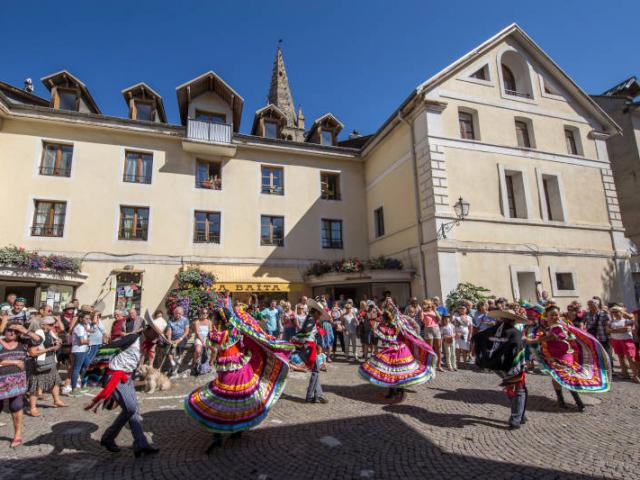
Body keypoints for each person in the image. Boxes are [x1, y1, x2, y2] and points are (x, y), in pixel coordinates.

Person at [185, 304, 294, 451]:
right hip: (241, 371)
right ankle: (237, 429)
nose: (213, 321)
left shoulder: (216, 336)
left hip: (226, 375)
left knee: (220, 401)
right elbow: (249, 344)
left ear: (218, 321)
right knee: (238, 400)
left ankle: (218, 434)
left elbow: (211, 347)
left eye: (214, 319)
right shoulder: (236, 332)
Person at [85, 315, 166, 457]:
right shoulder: (132, 338)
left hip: (126, 377)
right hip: (115, 377)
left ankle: (139, 444)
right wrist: (96, 369)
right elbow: (109, 347)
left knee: (133, 410)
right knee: (131, 408)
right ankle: (110, 437)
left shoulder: (145, 342)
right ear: (149, 329)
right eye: (156, 334)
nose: (156, 338)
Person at [526, 305, 611, 412]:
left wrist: (533, 341)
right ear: (546, 316)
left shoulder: (559, 326)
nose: (554, 316)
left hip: (564, 356)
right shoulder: (547, 326)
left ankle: (578, 401)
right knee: (556, 376)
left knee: (568, 376)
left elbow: (557, 336)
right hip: (552, 355)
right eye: (551, 315)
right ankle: (561, 400)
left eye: (556, 314)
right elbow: (546, 336)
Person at [359, 306, 437, 401]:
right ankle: (393, 391)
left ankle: (399, 391)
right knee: (392, 372)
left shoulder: (396, 325)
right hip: (393, 350)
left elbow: (390, 338)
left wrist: (377, 331)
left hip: (399, 351)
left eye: (382, 318)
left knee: (399, 372)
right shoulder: (386, 326)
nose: (381, 319)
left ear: (386, 318)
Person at [473, 309, 528, 430]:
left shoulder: (491, 330)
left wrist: (484, 355)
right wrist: (520, 365)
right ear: (513, 320)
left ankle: (520, 414)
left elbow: (477, 337)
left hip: (496, 365)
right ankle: (516, 419)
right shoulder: (515, 332)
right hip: (510, 365)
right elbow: (519, 349)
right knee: (518, 388)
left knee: (515, 387)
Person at [26, 316, 67, 417]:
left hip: (50, 360)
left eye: (53, 324)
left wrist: (58, 342)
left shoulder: (50, 332)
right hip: (40, 362)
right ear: (43, 324)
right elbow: (33, 352)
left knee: (55, 381)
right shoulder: (39, 333)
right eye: (51, 324)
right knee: (35, 385)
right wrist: (50, 349)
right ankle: (33, 408)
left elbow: (57, 339)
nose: (53, 326)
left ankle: (56, 400)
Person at [292, 299, 329, 404]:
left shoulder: (311, 319)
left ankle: (319, 395)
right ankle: (310, 396)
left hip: (308, 346)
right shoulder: (311, 319)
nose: (320, 316)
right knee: (316, 371)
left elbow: (308, 332)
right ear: (316, 312)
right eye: (320, 314)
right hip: (308, 347)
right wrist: (296, 338)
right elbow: (305, 332)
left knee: (315, 370)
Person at [607, 306, 639, 382]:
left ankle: (636, 375)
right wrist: (619, 330)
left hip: (626, 341)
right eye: (613, 312)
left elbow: (627, 329)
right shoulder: (611, 322)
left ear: (621, 312)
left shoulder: (627, 321)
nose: (614, 313)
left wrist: (613, 330)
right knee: (620, 357)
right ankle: (625, 374)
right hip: (616, 340)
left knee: (630, 358)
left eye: (616, 311)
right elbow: (608, 331)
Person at [166, 307, 190, 377]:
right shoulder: (170, 321)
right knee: (167, 346)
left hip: (182, 337)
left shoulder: (185, 320)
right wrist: (169, 339)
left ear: (182, 313)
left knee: (180, 345)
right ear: (174, 313)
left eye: (179, 313)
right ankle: (172, 362)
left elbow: (186, 331)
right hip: (173, 338)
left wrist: (180, 339)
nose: (178, 315)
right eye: (176, 313)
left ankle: (179, 357)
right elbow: (169, 332)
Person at [422, 300, 443, 372]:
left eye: (429, 305)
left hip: (436, 329)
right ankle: (429, 365)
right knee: (429, 349)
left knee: (438, 349)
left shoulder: (434, 311)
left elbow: (439, 319)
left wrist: (435, 310)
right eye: (426, 305)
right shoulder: (423, 312)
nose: (428, 306)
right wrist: (423, 310)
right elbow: (422, 320)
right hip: (428, 329)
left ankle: (439, 365)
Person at [192, 308, 212, 375]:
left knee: (214, 350)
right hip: (199, 338)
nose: (205, 314)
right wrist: (203, 341)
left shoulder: (209, 322)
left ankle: (210, 365)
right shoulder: (197, 322)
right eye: (203, 313)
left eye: (206, 313)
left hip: (206, 338)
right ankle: (194, 364)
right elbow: (197, 333)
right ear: (200, 313)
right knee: (198, 350)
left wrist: (207, 340)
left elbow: (210, 332)